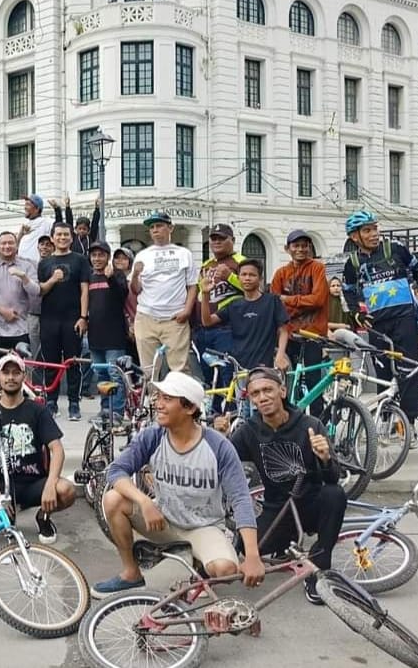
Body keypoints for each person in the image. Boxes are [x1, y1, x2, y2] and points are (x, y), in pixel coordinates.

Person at [92, 372, 263, 597]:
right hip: (163, 520)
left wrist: (252, 556)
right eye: (158, 397)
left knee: (225, 570)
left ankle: (199, 566)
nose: (158, 405)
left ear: (190, 408)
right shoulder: (152, 436)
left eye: (168, 399)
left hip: (204, 526)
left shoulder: (218, 446)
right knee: (113, 499)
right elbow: (116, 471)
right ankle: (131, 574)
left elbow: (241, 498)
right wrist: (144, 501)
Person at [228, 367, 348, 604]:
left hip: (312, 502)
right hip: (278, 507)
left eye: (268, 390)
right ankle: (288, 544)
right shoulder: (249, 431)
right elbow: (224, 459)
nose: (262, 397)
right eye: (255, 393)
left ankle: (318, 569)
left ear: (282, 391)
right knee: (246, 546)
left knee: (334, 494)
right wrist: (219, 437)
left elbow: (333, 477)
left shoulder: (310, 425)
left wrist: (325, 457)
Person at [342, 210, 418, 426]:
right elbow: (348, 290)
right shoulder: (353, 263)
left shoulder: (395, 249)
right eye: (367, 231)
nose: (374, 234)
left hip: (405, 319)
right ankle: (386, 419)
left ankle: (408, 424)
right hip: (377, 324)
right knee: (383, 373)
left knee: (408, 371)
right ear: (354, 236)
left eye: (375, 228)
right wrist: (356, 313)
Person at [0, 353, 74, 543]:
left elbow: (57, 449)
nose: (11, 377)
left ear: (23, 377)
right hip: (4, 485)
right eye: (6, 373)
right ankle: (6, 514)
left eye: (16, 373)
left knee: (66, 490)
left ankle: (43, 516)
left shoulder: (37, 410)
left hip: (34, 483)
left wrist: (51, 485)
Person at [131, 211, 199, 374]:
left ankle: (179, 399)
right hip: (146, 317)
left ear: (170, 228)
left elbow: (192, 286)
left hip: (174, 319)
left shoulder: (184, 253)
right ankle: (152, 399)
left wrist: (187, 311)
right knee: (149, 370)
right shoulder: (142, 255)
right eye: (152, 227)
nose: (155, 230)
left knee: (180, 368)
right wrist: (134, 274)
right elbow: (135, 290)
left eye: (159, 226)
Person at [0, 231, 40, 407]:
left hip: (19, 329)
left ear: (16, 245)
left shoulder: (27, 266)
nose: (7, 246)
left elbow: (36, 291)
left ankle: (19, 405)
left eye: (10, 243)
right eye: (3, 243)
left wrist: (24, 277)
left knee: (19, 369)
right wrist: (0, 310)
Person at [270, 230, 328, 416]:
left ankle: (319, 424)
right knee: (286, 381)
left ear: (309, 247)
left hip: (313, 334)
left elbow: (319, 300)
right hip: (289, 335)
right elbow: (275, 303)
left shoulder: (317, 268)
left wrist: (289, 300)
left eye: (304, 245)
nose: (301, 249)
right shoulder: (281, 273)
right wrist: (303, 302)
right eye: (296, 246)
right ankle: (287, 419)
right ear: (288, 249)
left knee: (314, 382)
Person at [38, 222, 90, 421]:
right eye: (58, 235)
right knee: (50, 362)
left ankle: (74, 403)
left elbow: (85, 289)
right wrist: (52, 279)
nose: (62, 238)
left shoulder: (80, 260)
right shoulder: (44, 263)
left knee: (73, 362)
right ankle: (51, 401)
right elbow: (41, 290)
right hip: (49, 319)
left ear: (72, 237)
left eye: (66, 234)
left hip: (73, 319)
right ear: (52, 238)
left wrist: (83, 317)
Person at [201, 259, 290, 371]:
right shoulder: (234, 305)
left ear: (260, 279)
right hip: (239, 368)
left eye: (252, 275)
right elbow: (207, 321)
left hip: (265, 368)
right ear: (238, 278)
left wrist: (280, 355)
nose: (247, 278)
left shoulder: (272, 301)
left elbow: (283, 330)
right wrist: (205, 294)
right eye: (243, 274)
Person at [193, 224, 245, 388]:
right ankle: (214, 411)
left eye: (221, 238)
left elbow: (256, 289)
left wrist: (230, 276)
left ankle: (229, 411)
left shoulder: (242, 261)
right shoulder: (206, 264)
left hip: (228, 328)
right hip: (203, 329)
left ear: (233, 240)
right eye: (213, 238)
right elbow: (199, 294)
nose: (217, 242)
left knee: (227, 373)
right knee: (208, 375)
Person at [87, 241, 129, 416]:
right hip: (95, 336)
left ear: (108, 257)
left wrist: (111, 278)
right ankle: (105, 409)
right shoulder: (88, 277)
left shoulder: (117, 275)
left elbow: (122, 295)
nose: (97, 258)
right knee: (102, 375)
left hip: (114, 336)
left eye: (101, 255)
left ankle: (117, 412)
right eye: (94, 255)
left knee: (116, 375)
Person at [17, 194, 54, 263]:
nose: (25, 207)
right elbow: (15, 247)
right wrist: (20, 234)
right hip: (22, 268)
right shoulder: (25, 225)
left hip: (36, 268)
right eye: (25, 205)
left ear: (37, 209)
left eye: (28, 205)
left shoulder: (46, 222)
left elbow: (61, 227)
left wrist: (57, 209)